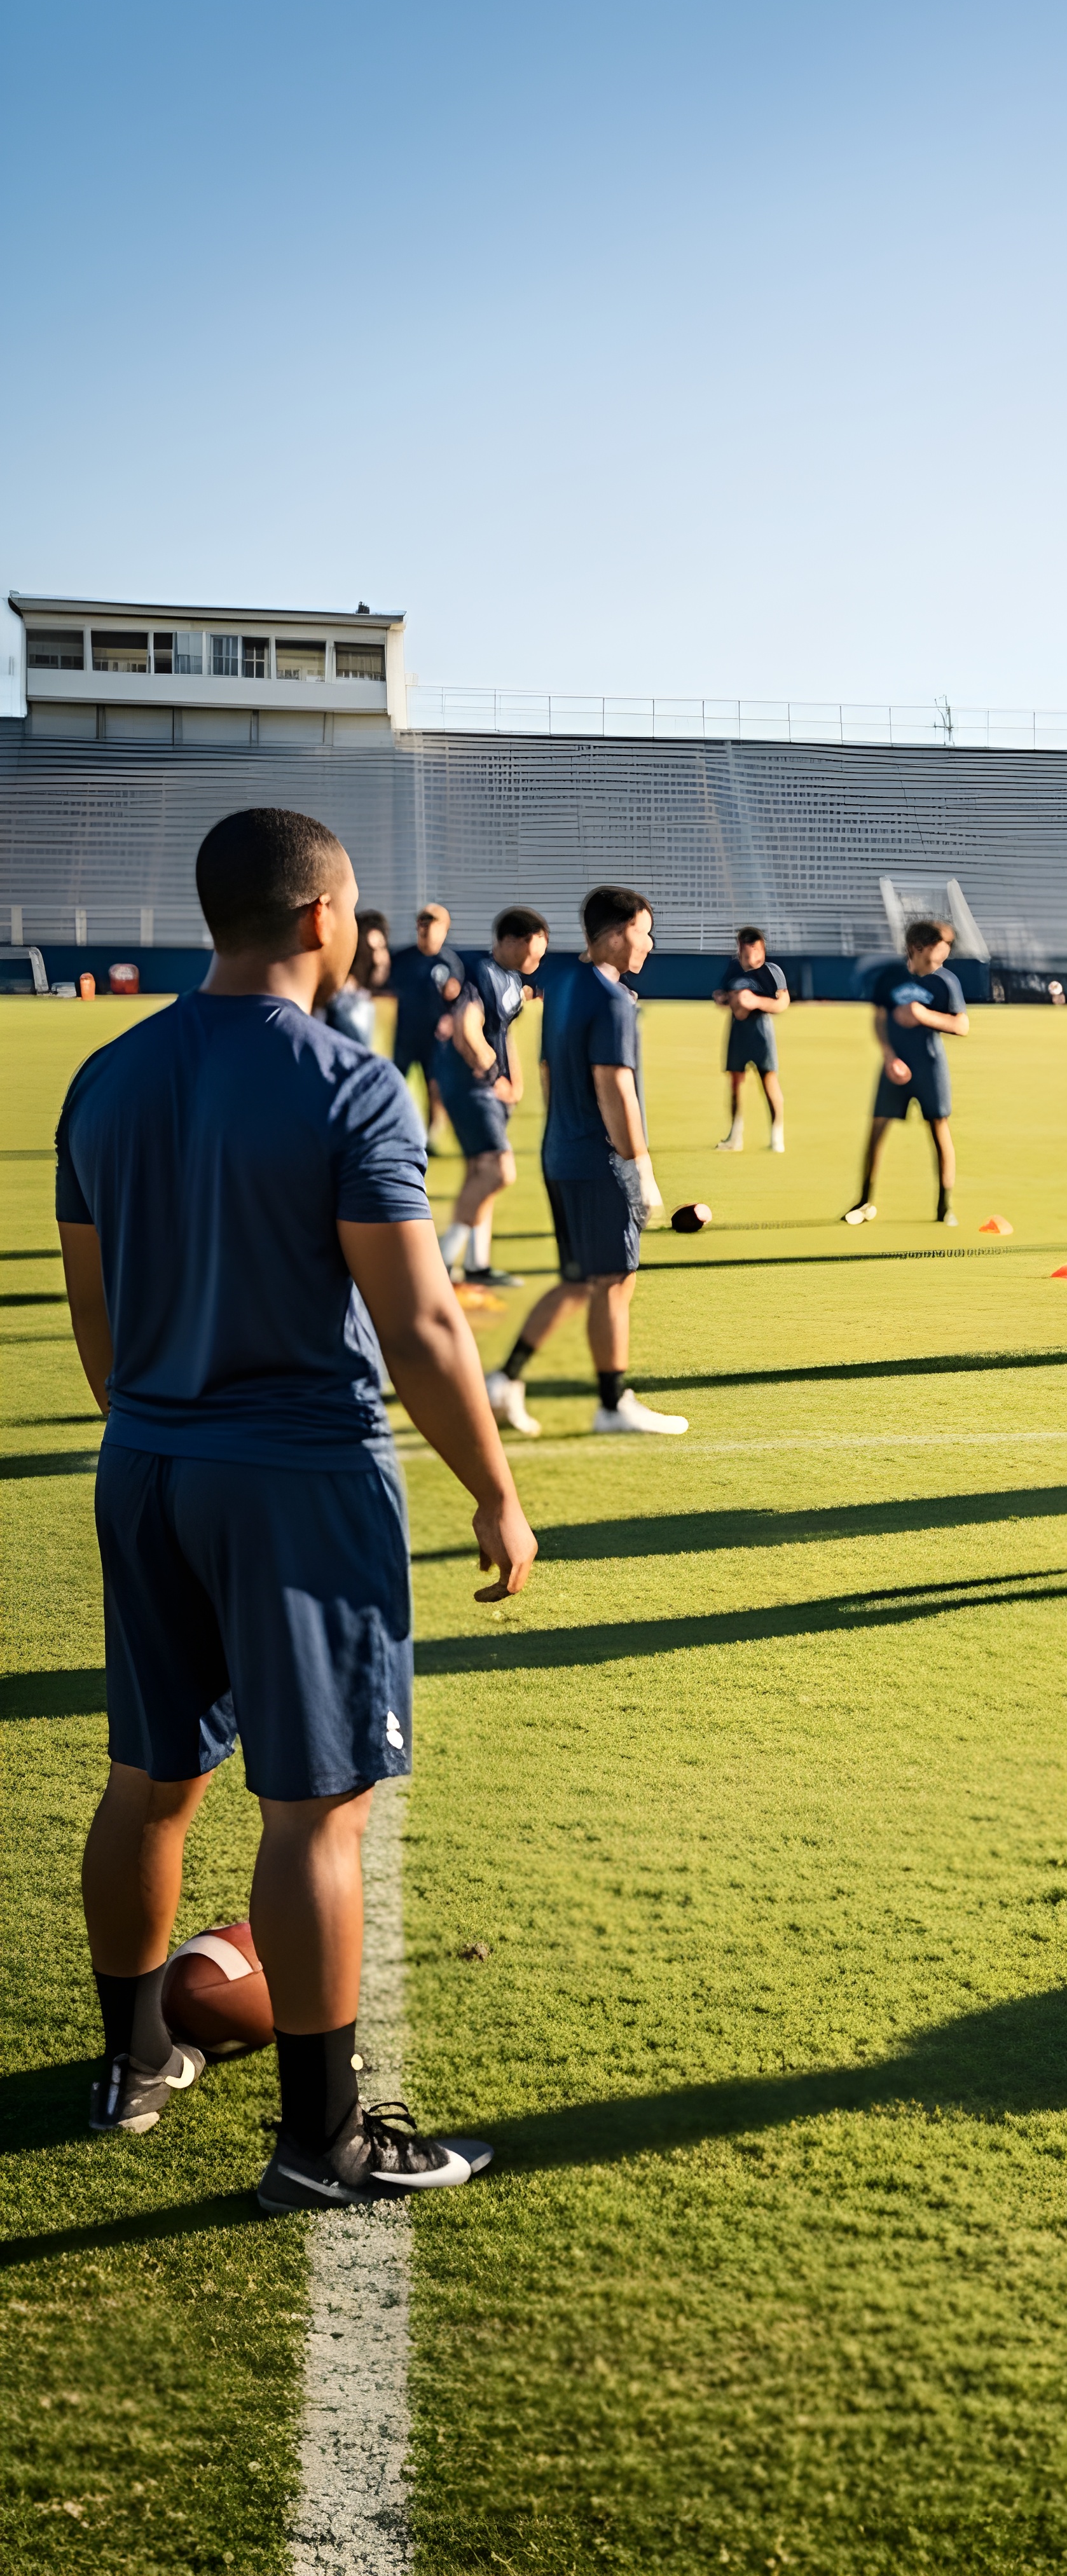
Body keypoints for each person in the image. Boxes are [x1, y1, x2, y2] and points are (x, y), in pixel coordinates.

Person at [55, 806, 532, 2211]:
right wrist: (497, 1493)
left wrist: (162, 1416)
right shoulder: (350, 1084)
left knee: (149, 1779)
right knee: (317, 1811)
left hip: (146, 1463)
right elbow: (423, 1326)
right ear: (324, 915)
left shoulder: (105, 1076)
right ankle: (323, 2144)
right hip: (299, 1481)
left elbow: (95, 1318)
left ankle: (133, 2063)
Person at [486, 886, 688, 1438]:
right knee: (616, 1282)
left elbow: (549, 1074)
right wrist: (639, 1168)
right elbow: (615, 1087)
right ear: (619, 934)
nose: (650, 943)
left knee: (579, 1281)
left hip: (561, 1154)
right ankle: (612, 1404)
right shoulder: (613, 1000)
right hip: (600, 1162)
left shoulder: (563, 986)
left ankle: (505, 1379)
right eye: (645, 932)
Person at [432, 906, 549, 1291]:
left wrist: (514, 1081)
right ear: (513, 941)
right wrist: (491, 1073)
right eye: (536, 948)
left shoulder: (512, 978)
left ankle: (476, 1263)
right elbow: (467, 1027)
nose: (540, 956)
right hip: (470, 1088)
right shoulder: (480, 972)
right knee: (499, 1171)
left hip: (490, 1090)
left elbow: (504, 1032)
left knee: (480, 1172)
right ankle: (441, 1262)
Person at [845, 920, 968, 1226]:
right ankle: (865, 1201)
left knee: (939, 1130)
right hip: (895, 1065)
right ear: (917, 948)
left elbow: (961, 1025)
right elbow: (879, 1020)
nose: (942, 958)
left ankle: (944, 1207)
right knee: (876, 1130)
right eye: (937, 952)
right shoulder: (890, 977)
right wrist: (889, 1057)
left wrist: (922, 1015)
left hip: (930, 1066)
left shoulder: (946, 981)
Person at [386, 904, 461, 1150]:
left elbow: (460, 1001)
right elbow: (384, 989)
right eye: (423, 924)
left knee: (435, 1087)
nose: (427, 930)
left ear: (445, 929)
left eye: (433, 924)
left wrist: (450, 1020)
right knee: (395, 1083)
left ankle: (432, 1135)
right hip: (406, 1035)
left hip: (436, 1039)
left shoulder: (450, 963)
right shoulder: (403, 960)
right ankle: (390, 1132)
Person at [713, 925, 790, 1152]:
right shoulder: (733, 968)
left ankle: (777, 1136)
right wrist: (724, 999)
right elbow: (726, 995)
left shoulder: (771, 971)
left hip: (761, 1033)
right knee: (736, 1082)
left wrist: (756, 1002)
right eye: (746, 952)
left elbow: (783, 1002)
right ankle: (735, 1137)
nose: (751, 957)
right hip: (738, 1031)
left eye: (755, 951)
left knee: (769, 1081)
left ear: (762, 948)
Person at [320, 909, 390, 1049]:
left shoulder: (374, 1000)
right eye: (370, 950)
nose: (378, 960)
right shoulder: (340, 1005)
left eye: (382, 947)